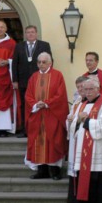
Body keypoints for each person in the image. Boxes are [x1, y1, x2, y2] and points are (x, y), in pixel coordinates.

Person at [24, 52, 67, 180]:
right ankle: (41, 171)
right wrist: (36, 104)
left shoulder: (57, 75)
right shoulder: (33, 77)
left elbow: (61, 95)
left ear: (50, 63)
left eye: (44, 62)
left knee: (53, 141)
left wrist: (47, 103)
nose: (41, 64)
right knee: (38, 141)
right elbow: (28, 95)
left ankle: (55, 171)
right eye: (39, 62)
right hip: (37, 115)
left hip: (52, 114)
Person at [12, 25, 52, 135]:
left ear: (36, 33)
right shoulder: (19, 46)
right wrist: (15, 80)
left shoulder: (44, 45)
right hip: (23, 81)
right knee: (25, 105)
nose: (30, 34)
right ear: (25, 34)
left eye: (32, 32)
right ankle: (26, 129)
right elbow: (15, 63)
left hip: (40, 81)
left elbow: (50, 62)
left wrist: (48, 77)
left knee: (39, 103)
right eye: (28, 32)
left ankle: (39, 128)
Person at [66, 76, 89, 203]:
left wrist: (74, 119)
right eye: (78, 87)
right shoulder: (77, 102)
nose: (80, 89)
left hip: (83, 140)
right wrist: (70, 119)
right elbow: (72, 117)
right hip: (75, 141)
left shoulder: (90, 103)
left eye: (82, 87)